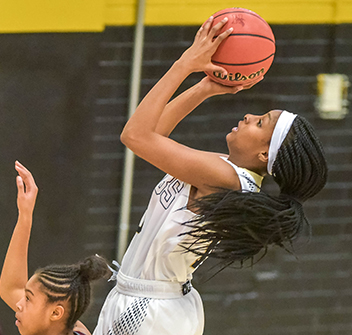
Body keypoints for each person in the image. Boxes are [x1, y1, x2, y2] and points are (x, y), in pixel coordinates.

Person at [93, 16, 328, 335]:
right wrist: (204, 88)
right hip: (153, 301)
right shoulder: (227, 169)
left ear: (263, 154)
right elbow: (152, 135)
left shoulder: (224, 177)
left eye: (259, 123)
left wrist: (184, 64)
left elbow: (134, 135)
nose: (248, 116)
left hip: (148, 310)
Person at [0, 161, 110, 335]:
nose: (19, 303)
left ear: (56, 313)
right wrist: (25, 215)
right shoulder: (75, 330)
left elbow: (11, 289)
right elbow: (11, 288)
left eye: (28, 299)